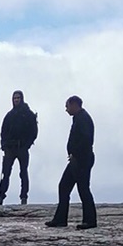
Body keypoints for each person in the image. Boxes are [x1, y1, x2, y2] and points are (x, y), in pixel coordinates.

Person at [45, 96, 97, 228]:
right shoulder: (78, 118)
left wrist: (76, 154)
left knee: (83, 189)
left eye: (67, 106)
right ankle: (60, 219)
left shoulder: (83, 118)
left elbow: (86, 140)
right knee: (64, 186)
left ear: (74, 105)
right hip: (76, 159)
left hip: (82, 160)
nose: (66, 109)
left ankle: (90, 221)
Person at [0, 92, 38, 205]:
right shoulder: (9, 115)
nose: (16, 100)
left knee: (23, 173)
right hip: (9, 148)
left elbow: (34, 131)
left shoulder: (28, 114)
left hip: (22, 147)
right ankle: (0, 197)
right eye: (14, 98)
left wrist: (27, 144)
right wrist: (4, 145)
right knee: (5, 173)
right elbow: (3, 131)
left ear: (22, 99)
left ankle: (24, 197)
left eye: (18, 98)